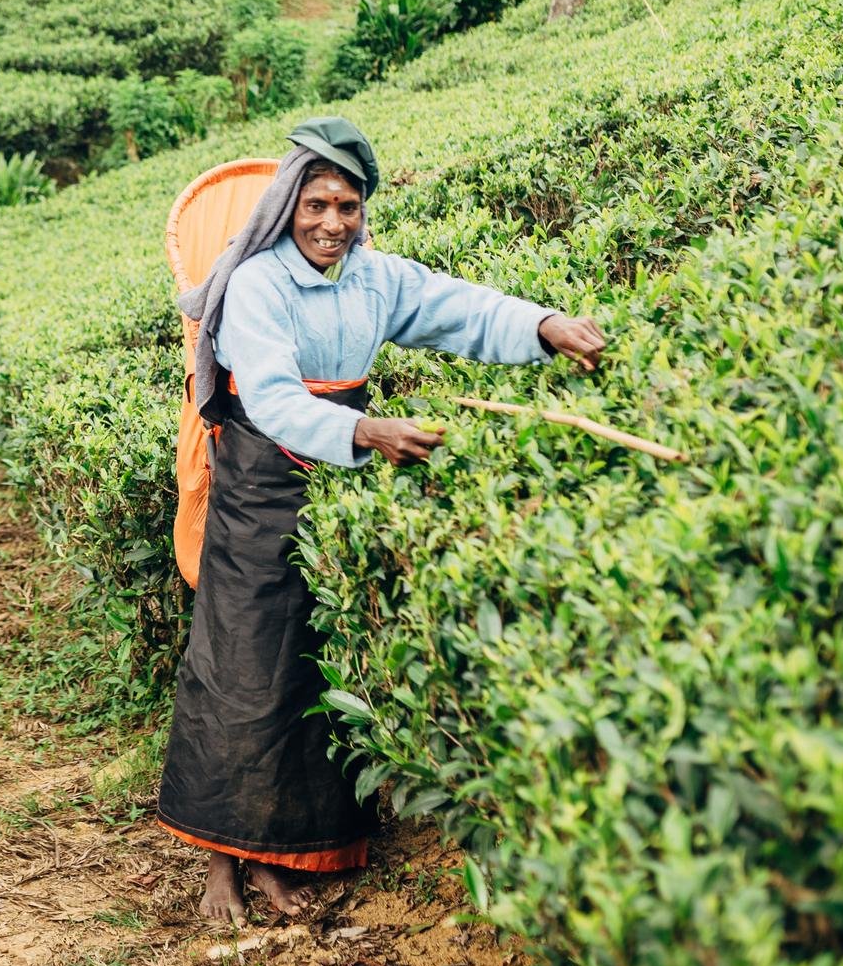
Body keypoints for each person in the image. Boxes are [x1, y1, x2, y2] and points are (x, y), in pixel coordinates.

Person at [161, 118, 607, 922]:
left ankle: (282, 855)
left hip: (337, 478)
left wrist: (544, 326)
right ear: (288, 205)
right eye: (317, 204)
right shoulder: (258, 284)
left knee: (307, 670)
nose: (332, 223)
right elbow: (268, 395)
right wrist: (364, 432)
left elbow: (457, 309)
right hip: (262, 485)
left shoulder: (374, 279)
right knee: (242, 669)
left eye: (349, 206)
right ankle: (221, 864)